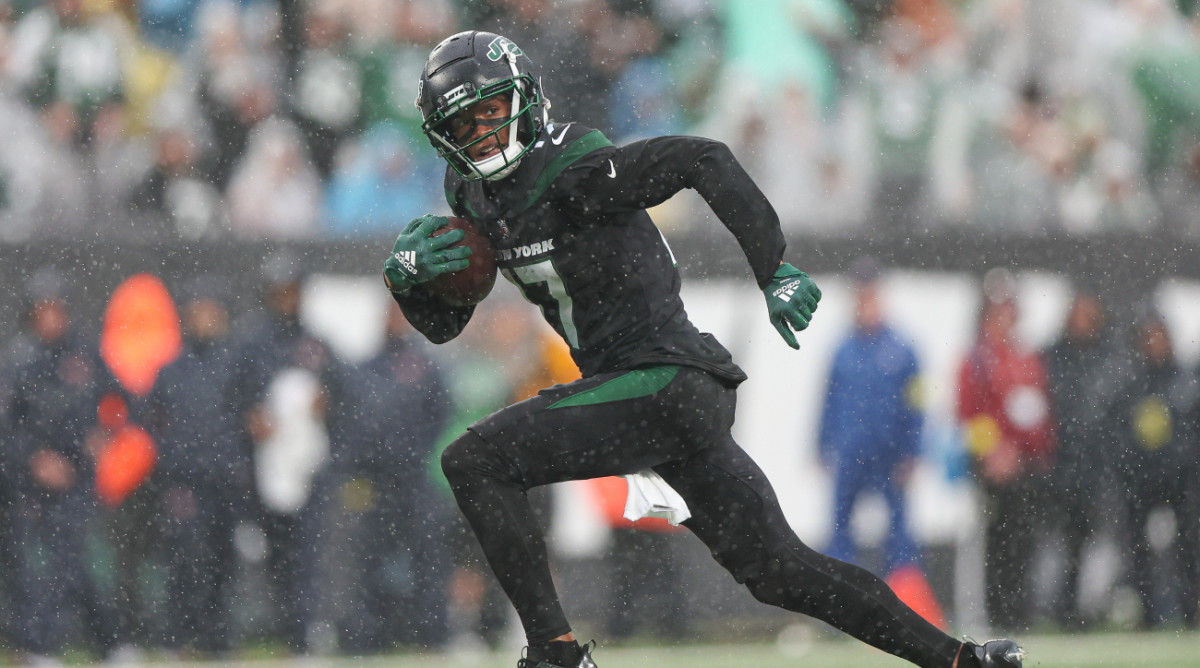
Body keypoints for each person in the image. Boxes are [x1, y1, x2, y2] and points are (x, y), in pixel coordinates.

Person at [381, 30, 1024, 668]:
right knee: (780, 571)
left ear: (523, 97)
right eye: (464, 123)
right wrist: (407, 283)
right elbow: (446, 326)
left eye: (491, 110)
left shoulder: (575, 169)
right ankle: (963, 661)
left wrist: (773, 269)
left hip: (664, 381)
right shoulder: (469, 193)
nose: (483, 132)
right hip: (643, 394)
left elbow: (704, 158)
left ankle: (555, 655)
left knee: (474, 460)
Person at [818, 257, 942, 627]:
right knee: (840, 535)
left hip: (890, 456)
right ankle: (843, 615)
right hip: (850, 455)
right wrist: (823, 446)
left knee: (900, 538)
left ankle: (903, 615)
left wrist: (913, 451)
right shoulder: (842, 349)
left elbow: (918, 405)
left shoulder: (904, 349)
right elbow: (829, 401)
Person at [140, 276, 246, 655]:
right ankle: (179, 637)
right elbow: (151, 421)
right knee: (185, 558)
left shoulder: (237, 364)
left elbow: (248, 418)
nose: (204, 318)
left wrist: (234, 461)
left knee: (222, 562)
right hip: (184, 482)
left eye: (210, 310)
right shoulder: (172, 370)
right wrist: (174, 461)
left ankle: (217, 640)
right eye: (197, 311)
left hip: (224, 480)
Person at [956, 269, 1055, 632]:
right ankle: (995, 616)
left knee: (1023, 541)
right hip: (992, 472)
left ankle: (1020, 613)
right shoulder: (977, 360)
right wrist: (993, 452)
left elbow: (1038, 412)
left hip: (1025, 469)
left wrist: (1031, 451)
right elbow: (968, 415)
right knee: (994, 543)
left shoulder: (1024, 357)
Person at [1040, 287, 1124, 629]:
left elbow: (1116, 414)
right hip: (1060, 467)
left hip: (1100, 468)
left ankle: (1093, 608)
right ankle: (1057, 608)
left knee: (1101, 544)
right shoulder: (1052, 357)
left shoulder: (1112, 360)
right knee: (1060, 543)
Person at [1112, 309, 1199, 630]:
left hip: (1181, 479)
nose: (1154, 343)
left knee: (1188, 548)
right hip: (1140, 480)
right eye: (1147, 337)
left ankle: (1190, 612)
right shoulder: (1131, 382)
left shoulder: (1186, 380)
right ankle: (1146, 615)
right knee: (1138, 551)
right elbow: (1118, 431)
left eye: (1159, 336)